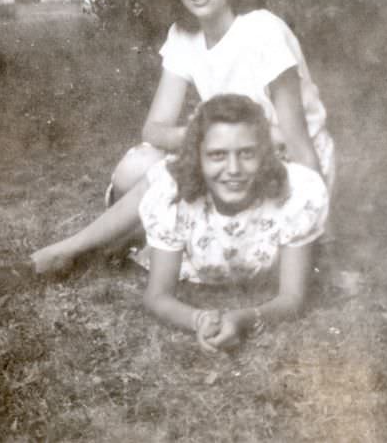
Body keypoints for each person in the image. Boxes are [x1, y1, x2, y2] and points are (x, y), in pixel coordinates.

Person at [30, 0, 334, 274]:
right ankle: (132, 235)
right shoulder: (184, 35)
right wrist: (197, 136)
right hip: (231, 153)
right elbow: (155, 129)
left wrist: (320, 234)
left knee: (167, 176)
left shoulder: (263, 31)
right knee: (135, 168)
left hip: (287, 164)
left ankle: (68, 250)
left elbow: (299, 146)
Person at [137, 94, 329, 352]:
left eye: (247, 153)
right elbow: (157, 295)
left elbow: (292, 297)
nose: (234, 169)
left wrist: (245, 318)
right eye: (217, 155)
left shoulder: (296, 195)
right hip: (195, 263)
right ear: (198, 157)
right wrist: (199, 319)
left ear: (265, 155)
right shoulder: (174, 197)